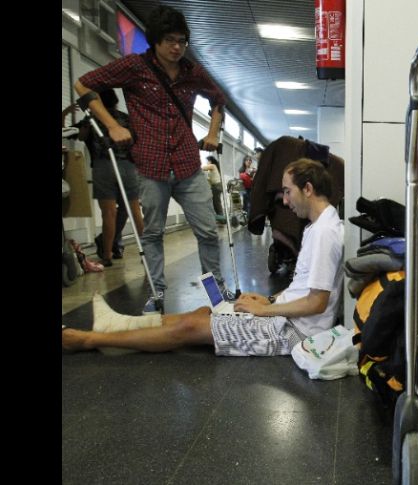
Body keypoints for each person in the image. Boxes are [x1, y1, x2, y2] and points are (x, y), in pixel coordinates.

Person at [62, 159, 344, 356]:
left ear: (307, 189)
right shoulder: (317, 227)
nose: (285, 200)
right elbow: (305, 287)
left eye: (287, 191)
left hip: (293, 332)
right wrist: (268, 299)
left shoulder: (325, 233)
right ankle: (117, 325)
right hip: (283, 316)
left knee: (188, 328)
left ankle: (89, 339)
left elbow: (317, 303)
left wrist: (265, 311)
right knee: (201, 314)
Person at [74, 5, 235, 313]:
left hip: (188, 164)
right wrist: (112, 125)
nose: (177, 47)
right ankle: (157, 292)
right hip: (150, 166)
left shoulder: (192, 72)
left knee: (206, 231)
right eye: (170, 40)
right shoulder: (134, 66)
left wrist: (213, 133)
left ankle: (216, 290)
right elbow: (83, 84)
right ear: (155, 41)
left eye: (182, 41)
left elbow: (218, 98)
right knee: (152, 233)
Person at [62, 89, 143, 267]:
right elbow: (138, 143)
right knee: (135, 210)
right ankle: (148, 253)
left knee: (109, 213)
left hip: (103, 166)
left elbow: (66, 132)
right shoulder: (126, 119)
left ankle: (106, 256)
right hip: (128, 167)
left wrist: (66, 113)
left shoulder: (91, 120)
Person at [202, 155, 225, 223]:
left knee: (216, 203)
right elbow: (209, 180)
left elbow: (203, 168)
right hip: (215, 186)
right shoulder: (211, 170)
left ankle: (222, 219)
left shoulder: (213, 166)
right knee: (215, 203)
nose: (207, 162)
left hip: (217, 186)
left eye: (207, 161)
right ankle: (220, 218)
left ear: (210, 161)